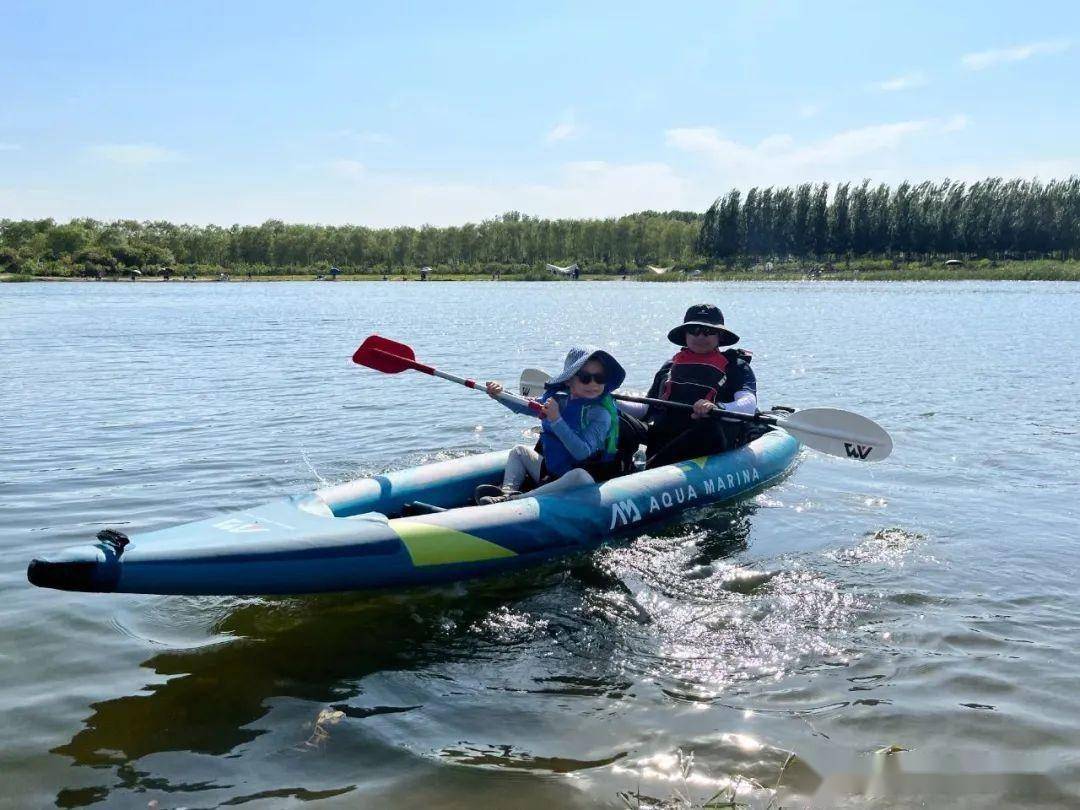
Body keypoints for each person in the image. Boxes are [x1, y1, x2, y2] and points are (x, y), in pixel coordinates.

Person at [474, 347, 626, 504]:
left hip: (584, 480)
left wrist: (556, 420)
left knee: (580, 475)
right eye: (585, 377)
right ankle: (507, 491)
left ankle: (517, 499)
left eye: (600, 377)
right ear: (568, 380)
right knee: (519, 452)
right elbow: (524, 405)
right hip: (553, 471)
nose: (593, 383)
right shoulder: (558, 400)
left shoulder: (601, 413)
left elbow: (582, 452)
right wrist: (499, 394)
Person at [624, 304, 758, 468]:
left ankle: (648, 472)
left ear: (720, 335)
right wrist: (609, 402)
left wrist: (717, 408)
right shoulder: (670, 365)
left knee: (707, 427)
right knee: (616, 417)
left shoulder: (736, 366)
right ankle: (616, 470)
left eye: (708, 331)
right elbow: (647, 407)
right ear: (685, 334)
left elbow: (749, 404)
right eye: (694, 330)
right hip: (665, 434)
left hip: (707, 436)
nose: (700, 336)